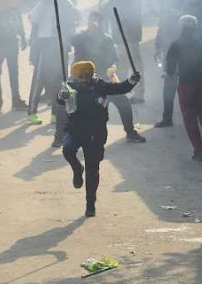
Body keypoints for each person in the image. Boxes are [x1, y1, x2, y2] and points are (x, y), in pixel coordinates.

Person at [59, 61, 141, 217]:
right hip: (75, 129)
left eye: (87, 76)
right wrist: (62, 96)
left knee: (92, 169)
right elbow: (60, 98)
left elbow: (120, 88)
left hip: (96, 133)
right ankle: (77, 169)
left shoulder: (100, 85)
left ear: (92, 75)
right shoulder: (70, 86)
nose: (84, 80)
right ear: (75, 77)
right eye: (80, 77)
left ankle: (90, 204)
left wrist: (132, 80)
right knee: (67, 150)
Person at [71, 12, 146, 143]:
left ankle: (130, 132)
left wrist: (112, 67)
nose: (92, 23)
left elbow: (113, 59)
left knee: (124, 103)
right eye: (90, 20)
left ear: (101, 24)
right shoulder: (80, 39)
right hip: (85, 80)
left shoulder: (106, 39)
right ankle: (66, 136)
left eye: (96, 21)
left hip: (104, 80)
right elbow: (74, 50)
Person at [27, 0, 79, 147]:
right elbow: (32, 18)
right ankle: (32, 112)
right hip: (44, 44)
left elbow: (77, 14)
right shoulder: (41, 4)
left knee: (60, 81)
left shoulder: (64, 3)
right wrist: (44, 2)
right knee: (40, 79)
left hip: (60, 44)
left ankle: (55, 114)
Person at [165, 15, 202, 162]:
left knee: (189, 118)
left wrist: (170, 74)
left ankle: (199, 152)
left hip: (186, 85)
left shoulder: (176, 44)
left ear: (181, 27)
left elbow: (170, 70)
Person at [105, 0, 145, 104]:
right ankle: (130, 92)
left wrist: (106, 11)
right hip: (132, 28)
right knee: (132, 62)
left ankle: (122, 92)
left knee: (125, 61)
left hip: (124, 28)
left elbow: (118, 6)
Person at [153, 8, 182, 128]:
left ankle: (168, 118)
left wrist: (157, 49)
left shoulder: (167, 19)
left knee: (170, 89)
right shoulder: (179, 19)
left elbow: (159, 36)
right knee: (173, 88)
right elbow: (159, 36)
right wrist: (157, 49)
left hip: (174, 58)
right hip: (176, 58)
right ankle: (169, 118)